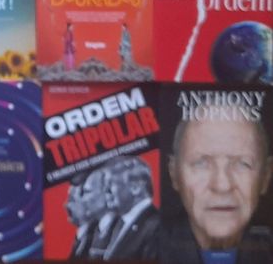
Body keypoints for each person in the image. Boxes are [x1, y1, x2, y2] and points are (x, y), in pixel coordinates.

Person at [162, 107, 273, 264]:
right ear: (174, 174)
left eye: (243, 164)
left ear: (266, 176)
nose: (223, 186)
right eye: (201, 163)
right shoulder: (146, 250)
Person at [102, 157, 160, 260]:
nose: (105, 191)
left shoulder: (156, 226)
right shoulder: (119, 225)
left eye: (110, 183)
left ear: (135, 188)